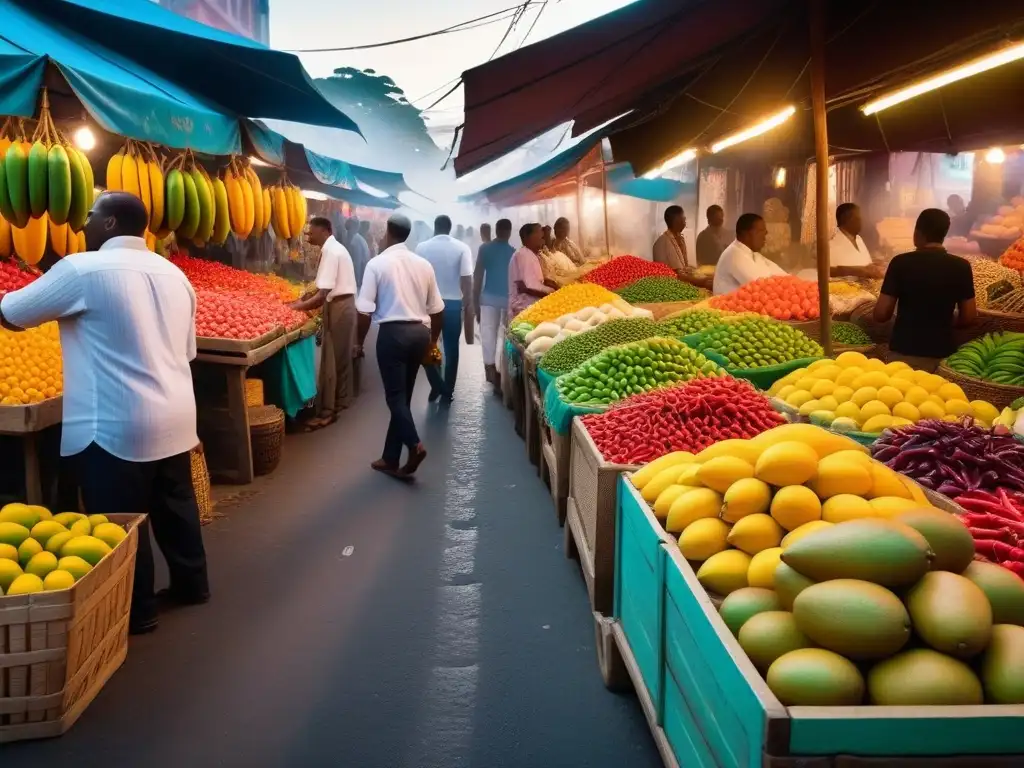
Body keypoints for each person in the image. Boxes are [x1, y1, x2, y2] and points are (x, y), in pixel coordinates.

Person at [0, 192, 208, 634]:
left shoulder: (80, 269)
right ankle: (194, 585)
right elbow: (188, 351)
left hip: (115, 424)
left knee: (119, 520)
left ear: (110, 223)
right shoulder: (174, 275)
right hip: (175, 416)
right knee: (175, 504)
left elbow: (12, 314)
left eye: (91, 216)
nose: (84, 224)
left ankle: (138, 611)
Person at [356, 214, 444, 479]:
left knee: (395, 397)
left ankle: (414, 445)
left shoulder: (376, 264)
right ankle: (390, 458)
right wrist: (432, 342)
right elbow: (438, 310)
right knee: (402, 397)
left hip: (392, 336)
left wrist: (358, 343)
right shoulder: (424, 265)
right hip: (420, 334)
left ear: (388, 232)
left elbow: (364, 310)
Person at [873, 208, 976, 372]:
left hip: (904, 354)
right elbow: (969, 317)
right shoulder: (961, 266)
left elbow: (881, 314)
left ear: (917, 233)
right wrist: (940, 322)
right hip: (942, 356)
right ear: (944, 234)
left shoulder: (900, 263)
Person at [289, 217, 358, 428]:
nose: (308, 236)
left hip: (338, 305)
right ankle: (340, 402)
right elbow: (319, 289)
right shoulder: (335, 248)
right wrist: (302, 299)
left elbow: (321, 295)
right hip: (343, 304)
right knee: (340, 357)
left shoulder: (330, 251)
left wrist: (295, 307)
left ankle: (327, 412)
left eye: (312, 232)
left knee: (331, 360)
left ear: (325, 231)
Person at [415, 215, 474, 402]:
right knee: (451, 347)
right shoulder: (462, 248)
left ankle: (436, 384)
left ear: (435, 226)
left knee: (430, 345)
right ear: (450, 228)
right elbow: (466, 278)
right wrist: (468, 302)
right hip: (453, 303)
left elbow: (417, 278)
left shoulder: (421, 247)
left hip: (428, 305)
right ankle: (447, 389)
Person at [475, 219, 516, 392]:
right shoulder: (513, 252)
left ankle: (491, 370)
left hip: (488, 299)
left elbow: (477, 275)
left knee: (488, 334)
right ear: (509, 232)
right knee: (504, 336)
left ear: (496, 230)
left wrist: (475, 301)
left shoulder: (485, 249)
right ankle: (501, 371)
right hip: (507, 300)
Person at [713, 213, 786, 295]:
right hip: (726, 306)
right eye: (760, 231)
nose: (765, 234)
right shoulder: (734, 255)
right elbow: (760, 286)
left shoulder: (753, 254)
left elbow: (782, 275)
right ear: (745, 234)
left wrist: (793, 283)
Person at [509, 222, 556, 318]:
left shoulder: (531, 254)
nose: (542, 234)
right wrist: (552, 295)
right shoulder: (523, 255)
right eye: (539, 231)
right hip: (523, 309)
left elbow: (534, 282)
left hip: (532, 306)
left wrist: (547, 283)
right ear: (527, 237)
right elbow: (527, 288)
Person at [829, 203, 882, 279]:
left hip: (866, 288)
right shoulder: (831, 244)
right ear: (847, 220)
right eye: (858, 218)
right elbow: (829, 271)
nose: (862, 221)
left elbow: (865, 263)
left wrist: (873, 267)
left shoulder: (859, 239)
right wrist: (858, 271)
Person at [653, 205, 689, 276]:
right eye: (683, 217)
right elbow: (665, 273)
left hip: (682, 282)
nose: (685, 219)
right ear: (676, 219)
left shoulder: (680, 239)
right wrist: (701, 281)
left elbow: (684, 268)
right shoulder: (661, 242)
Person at [346, 218, 372, 289]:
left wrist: (356, 282)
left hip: (359, 280)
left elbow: (357, 263)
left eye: (348, 229)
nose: (347, 232)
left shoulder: (356, 241)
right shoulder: (358, 239)